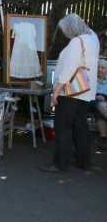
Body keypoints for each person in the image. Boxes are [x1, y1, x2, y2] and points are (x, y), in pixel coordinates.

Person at [40, 14, 99, 172]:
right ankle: (83, 161)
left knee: (63, 128)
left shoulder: (76, 42)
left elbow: (68, 71)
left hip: (71, 93)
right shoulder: (93, 38)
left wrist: (55, 93)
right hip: (87, 91)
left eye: (65, 30)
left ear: (71, 29)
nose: (65, 33)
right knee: (81, 127)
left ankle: (60, 164)